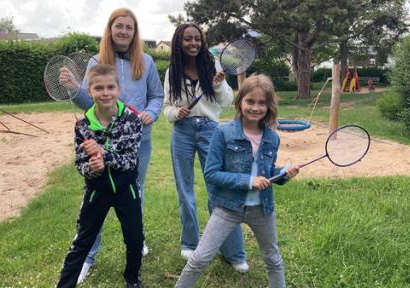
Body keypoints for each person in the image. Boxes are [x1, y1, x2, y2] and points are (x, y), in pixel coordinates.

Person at [63, 8, 164, 283]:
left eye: (129, 27)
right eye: (119, 26)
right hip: (100, 143)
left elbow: (157, 95)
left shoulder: (146, 61)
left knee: (134, 192)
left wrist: (151, 113)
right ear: (110, 29)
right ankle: (87, 256)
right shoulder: (97, 60)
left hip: (137, 142)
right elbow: (90, 100)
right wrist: (74, 88)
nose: (123, 31)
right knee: (94, 199)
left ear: (135, 32)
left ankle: (136, 240)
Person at [175, 74, 300, 288]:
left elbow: (267, 173)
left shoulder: (272, 137)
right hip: (227, 207)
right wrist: (248, 181)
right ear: (240, 101)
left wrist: (283, 174)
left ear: (269, 106)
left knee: (273, 259)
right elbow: (211, 174)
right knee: (199, 258)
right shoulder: (223, 132)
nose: (255, 107)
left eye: (262, 103)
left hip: (262, 208)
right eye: (250, 101)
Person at [163, 23, 248, 272]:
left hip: (211, 130)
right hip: (182, 131)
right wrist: (175, 113)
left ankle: (232, 252)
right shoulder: (172, 71)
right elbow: (166, 106)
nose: (193, 43)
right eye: (188, 39)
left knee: (220, 187)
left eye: (197, 39)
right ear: (179, 42)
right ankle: (190, 241)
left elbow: (227, 101)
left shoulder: (213, 66)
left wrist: (220, 83)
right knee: (185, 190)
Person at [56, 64, 144, 288]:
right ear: (89, 90)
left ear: (118, 88)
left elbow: (130, 161)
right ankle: (65, 284)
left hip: (127, 190)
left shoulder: (132, 120)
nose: (105, 93)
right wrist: (92, 168)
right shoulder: (82, 125)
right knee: (82, 242)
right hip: (97, 192)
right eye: (99, 88)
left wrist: (104, 155)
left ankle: (132, 279)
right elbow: (80, 163)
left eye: (110, 87)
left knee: (134, 240)